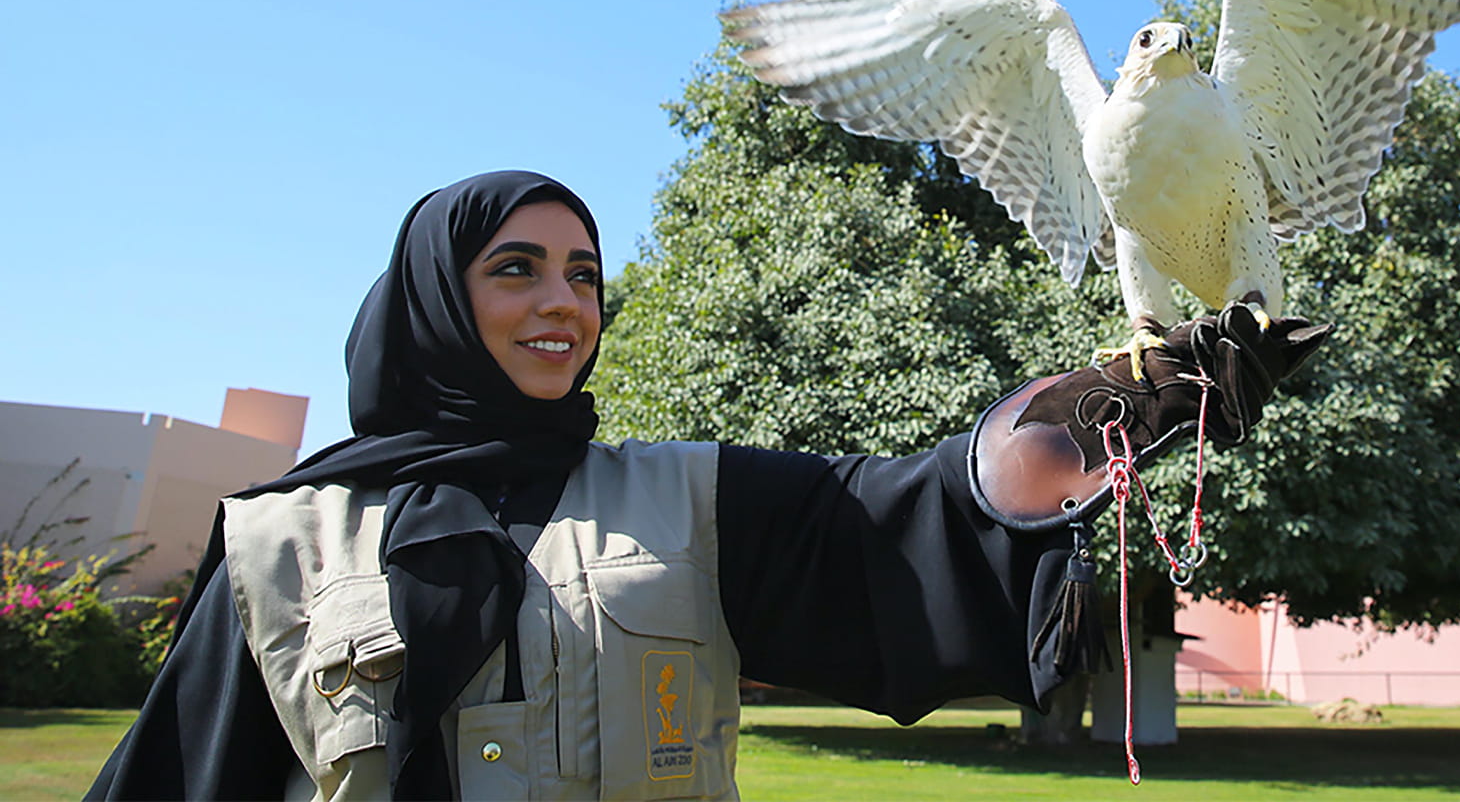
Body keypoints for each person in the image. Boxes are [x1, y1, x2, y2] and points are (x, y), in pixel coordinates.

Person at [88, 170, 1324, 800]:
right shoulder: (279, 540)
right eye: (517, 269)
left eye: (584, 273)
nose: (564, 302)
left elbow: (923, 513)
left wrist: (1118, 408)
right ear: (435, 303)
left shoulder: (694, 501)